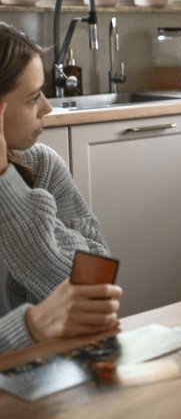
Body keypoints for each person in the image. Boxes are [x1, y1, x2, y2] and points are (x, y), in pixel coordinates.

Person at [0, 23, 123, 353]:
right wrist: (31, 326)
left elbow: (98, 284)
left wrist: (5, 185)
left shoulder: (42, 166)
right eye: (31, 98)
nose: (47, 107)